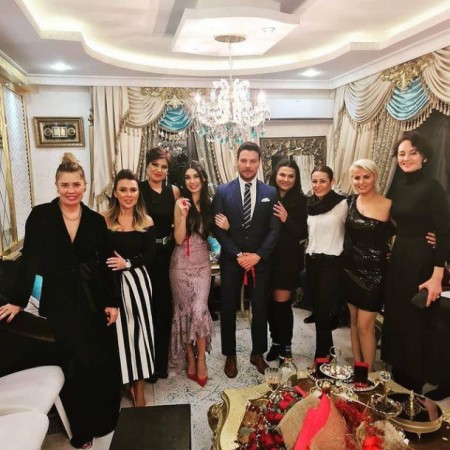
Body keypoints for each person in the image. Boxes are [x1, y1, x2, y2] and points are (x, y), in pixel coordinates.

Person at [0, 153, 121, 449]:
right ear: (56, 185)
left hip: (94, 300)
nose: (71, 190)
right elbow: (30, 259)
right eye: (65, 184)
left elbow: (106, 263)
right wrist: (18, 300)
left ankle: (103, 421)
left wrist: (112, 302)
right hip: (60, 302)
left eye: (76, 184)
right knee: (72, 365)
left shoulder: (95, 221)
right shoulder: (40, 216)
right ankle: (81, 430)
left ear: (85, 185)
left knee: (98, 362)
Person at [381, 131, 449, 395]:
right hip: (400, 259)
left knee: (417, 322)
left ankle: (414, 388)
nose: (406, 158)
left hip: (423, 262)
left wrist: (437, 276)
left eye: (413, 153)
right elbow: (397, 222)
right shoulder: (398, 185)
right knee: (397, 317)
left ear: (424, 156)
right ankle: (398, 378)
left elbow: (444, 231)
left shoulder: (433, 188)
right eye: (401, 153)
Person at [213, 141, 281, 377]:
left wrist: (258, 255)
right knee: (228, 308)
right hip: (232, 260)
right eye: (244, 160)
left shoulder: (271, 193)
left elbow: (274, 229)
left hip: (259, 262)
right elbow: (218, 230)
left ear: (259, 163)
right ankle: (230, 355)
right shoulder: (223, 191)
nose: (248, 165)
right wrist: (239, 254)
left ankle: (257, 353)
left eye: (253, 161)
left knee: (260, 308)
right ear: (237, 162)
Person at [103, 169, 156, 407]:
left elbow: (150, 255)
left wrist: (128, 263)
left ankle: (139, 389)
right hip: (112, 284)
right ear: (115, 192)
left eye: (133, 190)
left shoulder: (146, 221)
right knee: (118, 336)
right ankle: (123, 383)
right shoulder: (103, 220)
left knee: (140, 335)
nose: (128, 194)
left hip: (138, 283)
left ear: (138, 192)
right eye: (123, 190)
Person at [342, 159, 393, 372]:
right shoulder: (349, 201)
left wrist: (433, 238)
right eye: (356, 177)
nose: (361, 182)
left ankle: (369, 374)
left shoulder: (389, 204)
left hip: (375, 273)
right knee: (353, 322)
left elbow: (410, 232)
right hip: (350, 269)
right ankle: (358, 368)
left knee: (365, 326)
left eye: (366, 177)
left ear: (375, 177)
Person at [169, 161, 214, 387]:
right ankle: (190, 356)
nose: (192, 181)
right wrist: (184, 216)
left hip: (202, 265)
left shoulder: (210, 204)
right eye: (187, 177)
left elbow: (213, 235)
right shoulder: (180, 203)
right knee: (184, 312)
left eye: (195, 176)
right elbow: (178, 239)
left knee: (199, 310)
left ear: (203, 179)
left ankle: (202, 358)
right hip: (180, 265)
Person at [139, 147, 180, 382]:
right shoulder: (137, 189)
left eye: (164, 166)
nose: (159, 170)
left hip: (168, 255)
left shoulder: (173, 191)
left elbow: (180, 222)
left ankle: (160, 365)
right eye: (155, 164)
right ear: (147, 165)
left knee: (164, 309)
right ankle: (146, 364)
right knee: (146, 310)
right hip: (144, 255)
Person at [266, 159, 308, 363]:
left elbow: (303, 232)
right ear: (275, 175)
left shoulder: (302, 200)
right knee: (269, 304)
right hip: (266, 258)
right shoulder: (267, 195)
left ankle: (286, 347)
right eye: (282, 175)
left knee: (282, 304)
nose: (286, 179)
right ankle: (275, 341)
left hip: (287, 259)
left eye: (291, 176)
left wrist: (286, 218)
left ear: (296, 178)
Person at [305, 166, 347, 359]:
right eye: (315, 181)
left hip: (331, 263)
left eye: (323, 181)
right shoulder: (310, 205)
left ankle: (321, 358)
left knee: (323, 313)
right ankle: (326, 352)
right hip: (312, 261)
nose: (318, 185)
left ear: (332, 181)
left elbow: (358, 229)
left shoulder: (342, 204)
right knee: (318, 312)